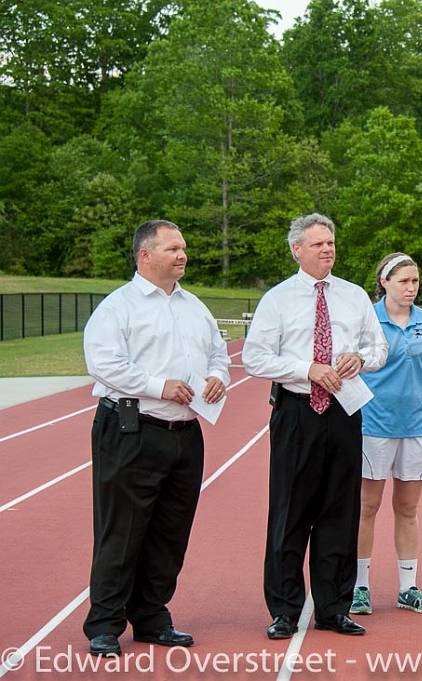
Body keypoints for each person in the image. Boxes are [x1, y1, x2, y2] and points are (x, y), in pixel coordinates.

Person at [82, 220, 229, 657]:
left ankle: (151, 616)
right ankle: (105, 623)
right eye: (173, 248)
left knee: (170, 531)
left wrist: (219, 376)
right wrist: (156, 384)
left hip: (185, 433)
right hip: (131, 429)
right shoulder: (118, 307)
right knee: (122, 530)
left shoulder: (194, 306)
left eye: (183, 247)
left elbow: (218, 353)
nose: (182, 255)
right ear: (145, 255)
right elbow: (103, 364)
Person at [243, 213, 388, 640]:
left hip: (345, 410)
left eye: (331, 243)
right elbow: (255, 357)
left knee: (340, 512)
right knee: (290, 511)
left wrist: (361, 358)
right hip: (297, 412)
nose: (328, 249)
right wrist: (305, 369)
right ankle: (285, 610)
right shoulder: (278, 299)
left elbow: (377, 346)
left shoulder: (354, 295)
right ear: (297, 250)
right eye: (318, 244)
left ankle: (333, 607)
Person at [350, 253, 422, 617]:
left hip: (417, 426)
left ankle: (408, 588)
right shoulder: (366, 321)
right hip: (373, 424)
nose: (411, 287)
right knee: (366, 507)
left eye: (415, 281)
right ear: (384, 282)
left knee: (408, 508)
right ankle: (359, 586)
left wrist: (413, 402)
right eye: (404, 281)